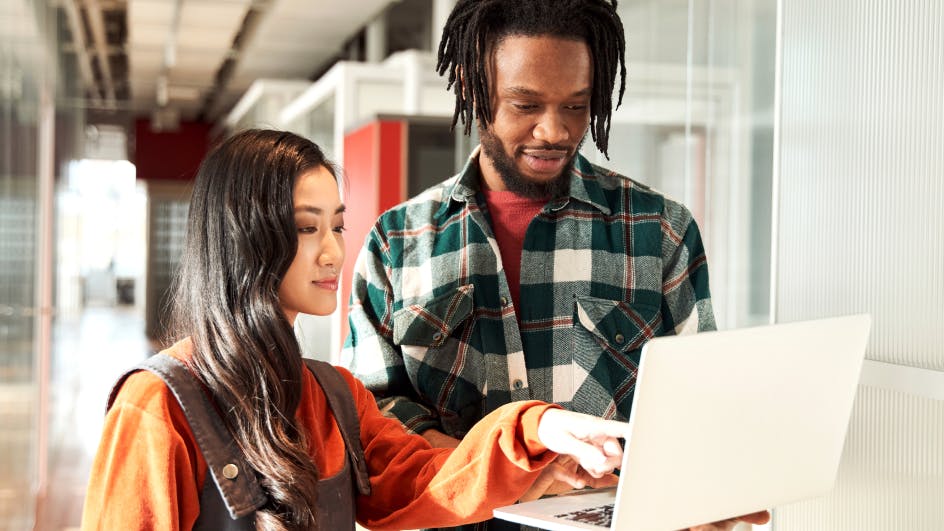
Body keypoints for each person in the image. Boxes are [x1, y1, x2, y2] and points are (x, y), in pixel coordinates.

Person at [343, 1, 771, 530]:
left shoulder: (659, 231)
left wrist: (702, 494)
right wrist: (499, 465)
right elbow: (372, 418)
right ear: (474, 90)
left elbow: (701, 403)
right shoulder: (396, 243)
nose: (554, 131)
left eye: (575, 106)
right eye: (525, 105)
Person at [80, 129, 632, 531]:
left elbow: (428, 483)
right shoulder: (158, 404)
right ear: (240, 237)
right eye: (305, 227)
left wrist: (538, 432)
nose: (334, 252)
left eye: (338, 225)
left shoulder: (335, 395)